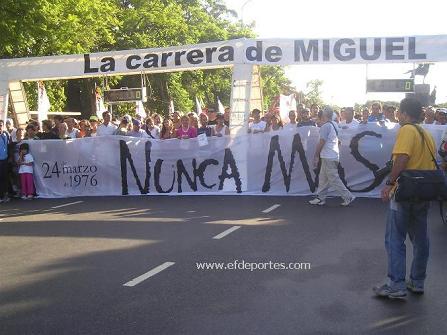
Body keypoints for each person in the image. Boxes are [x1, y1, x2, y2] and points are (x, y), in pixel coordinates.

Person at [374, 97, 435, 299]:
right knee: (420, 239)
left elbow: (402, 158)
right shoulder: (427, 133)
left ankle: (395, 284)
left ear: (405, 113)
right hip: (424, 192)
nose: (398, 116)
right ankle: (417, 282)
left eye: (399, 112)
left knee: (394, 238)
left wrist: (390, 183)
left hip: (405, 191)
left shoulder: (407, 130)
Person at [309, 106, 355, 206]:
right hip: (332, 155)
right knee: (323, 178)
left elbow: (321, 142)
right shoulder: (334, 124)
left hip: (328, 156)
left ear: (325, 115)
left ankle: (348, 196)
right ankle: (320, 198)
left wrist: (316, 155)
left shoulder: (326, 126)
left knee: (333, 179)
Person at [0, 120, 11, 203]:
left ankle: (5, 194)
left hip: (5, 159)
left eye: (1, 125)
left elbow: (9, 145)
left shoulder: (6, 134)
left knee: (5, 178)